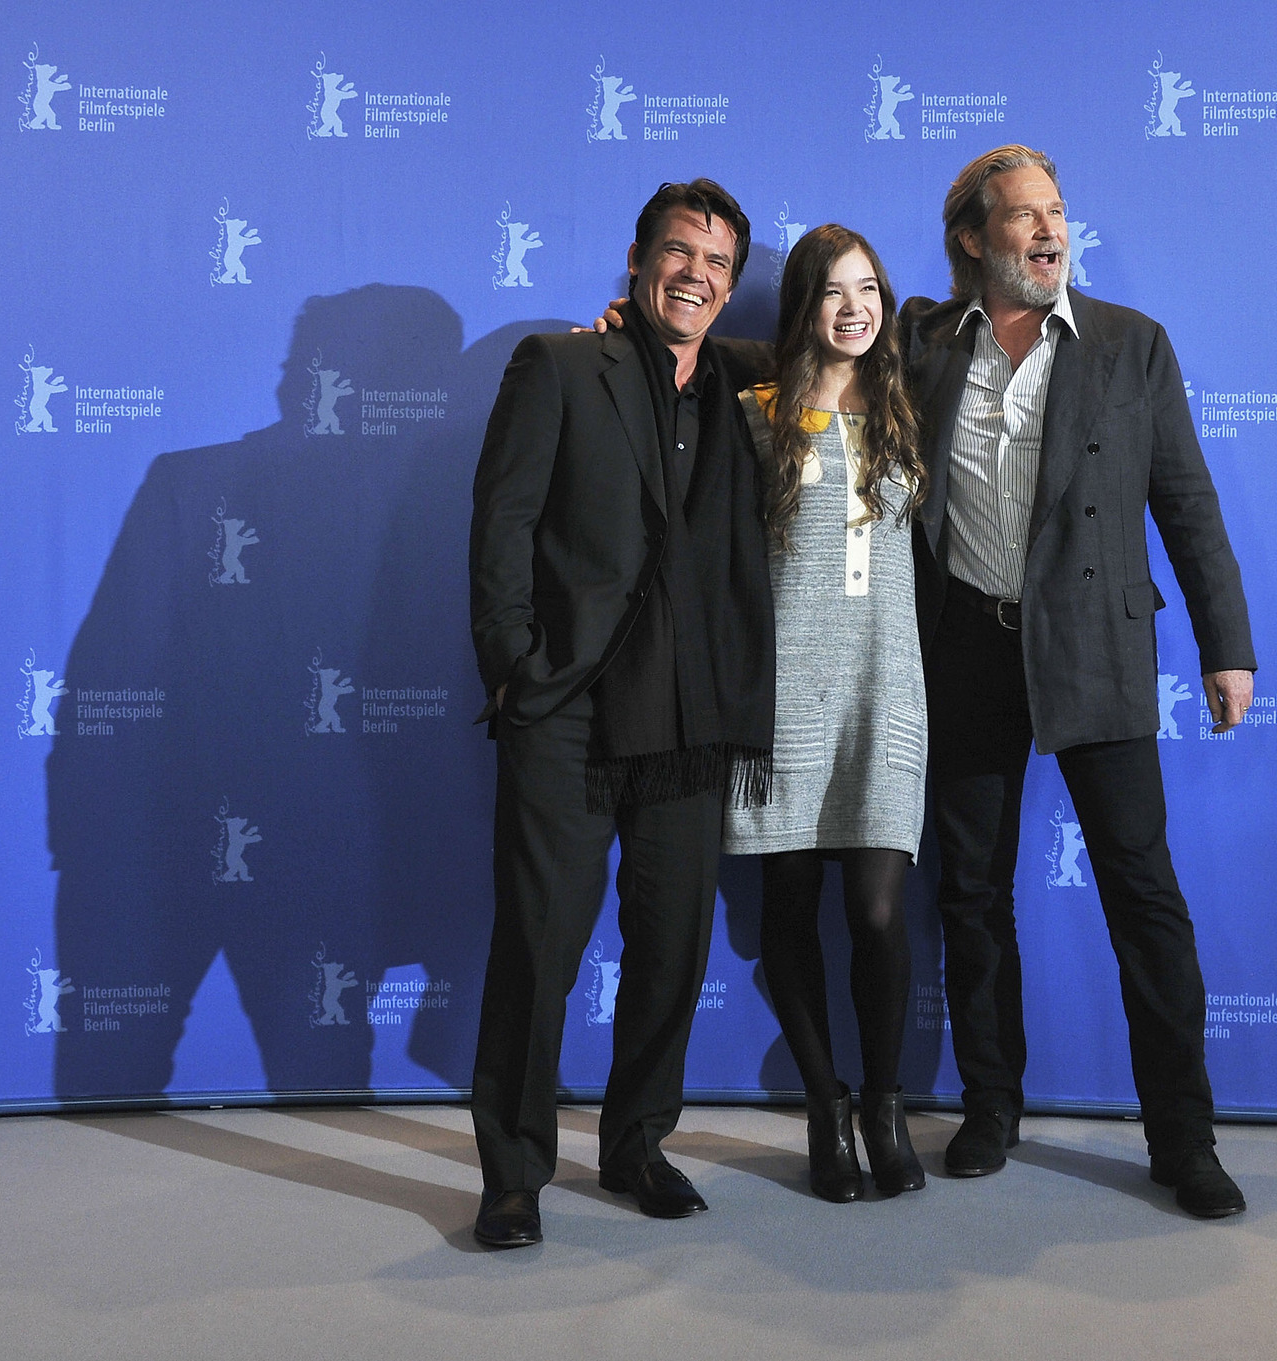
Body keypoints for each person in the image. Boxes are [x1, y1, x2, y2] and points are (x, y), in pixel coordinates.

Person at [899, 145, 1258, 1218]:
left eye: (1056, 211)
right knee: (968, 891)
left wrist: (1222, 644)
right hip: (961, 645)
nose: (1049, 232)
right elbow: (799, 358)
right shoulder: (920, 343)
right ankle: (990, 1105)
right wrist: (632, 336)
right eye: (1021, 217)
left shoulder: (1128, 344)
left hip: (1094, 642)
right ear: (972, 238)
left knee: (1141, 893)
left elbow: (1185, 502)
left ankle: (1182, 1138)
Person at [466, 180, 775, 1249]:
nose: (697, 274)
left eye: (718, 264)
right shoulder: (558, 363)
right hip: (568, 705)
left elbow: (864, 337)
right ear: (638, 259)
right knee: (540, 947)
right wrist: (514, 670)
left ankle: (637, 1142)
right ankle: (511, 1172)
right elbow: (500, 522)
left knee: (672, 947)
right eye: (680, 252)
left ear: (733, 287)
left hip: (686, 712)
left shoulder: (744, 385)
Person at [722, 225, 929, 1203]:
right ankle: (821, 1102)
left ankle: (882, 1101)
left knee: (878, 910)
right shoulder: (753, 417)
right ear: (802, 303)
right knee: (789, 912)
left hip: (885, 691)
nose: (854, 307)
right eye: (833, 292)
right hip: (785, 696)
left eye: (868, 289)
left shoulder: (903, 412)